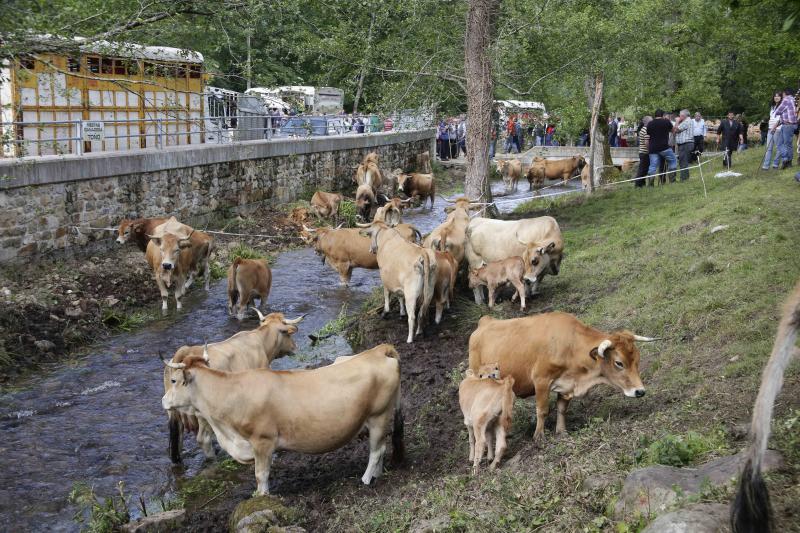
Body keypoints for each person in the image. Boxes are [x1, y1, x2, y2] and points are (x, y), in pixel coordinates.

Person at [647, 109, 678, 184]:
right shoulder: (666, 122)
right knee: (673, 161)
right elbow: (674, 131)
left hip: (653, 148)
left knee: (653, 166)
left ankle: (650, 184)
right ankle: (672, 181)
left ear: (655, 115)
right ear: (663, 115)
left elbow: (648, 136)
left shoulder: (650, 124)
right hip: (664, 147)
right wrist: (677, 122)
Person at [774, 87, 798, 169]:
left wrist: (777, 110)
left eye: (782, 93)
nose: (782, 95)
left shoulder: (786, 99)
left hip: (787, 125)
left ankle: (788, 161)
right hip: (789, 124)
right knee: (782, 144)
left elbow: (778, 111)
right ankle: (787, 160)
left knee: (785, 144)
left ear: (785, 93)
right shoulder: (792, 99)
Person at [762, 92, 783, 170]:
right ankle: (766, 165)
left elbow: (780, 119)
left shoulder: (782, 106)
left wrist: (775, 127)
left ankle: (775, 164)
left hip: (778, 129)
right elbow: (772, 118)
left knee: (778, 147)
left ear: (781, 98)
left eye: (778, 96)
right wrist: (770, 127)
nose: (776, 97)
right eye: (775, 96)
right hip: (770, 129)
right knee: (768, 148)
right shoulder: (772, 106)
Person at [673, 110, 694, 181]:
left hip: (685, 144)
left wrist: (677, 121)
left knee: (683, 162)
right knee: (683, 161)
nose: (679, 117)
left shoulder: (687, 121)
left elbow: (676, 130)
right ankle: (685, 178)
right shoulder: (687, 121)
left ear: (683, 116)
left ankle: (683, 179)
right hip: (685, 144)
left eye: (680, 115)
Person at [635, 116, 652, 187]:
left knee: (644, 169)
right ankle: (638, 184)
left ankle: (642, 183)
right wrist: (649, 150)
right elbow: (646, 142)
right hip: (645, 152)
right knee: (642, 169)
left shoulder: (644, 129)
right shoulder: (645, 130)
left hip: (643, 152)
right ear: (648, 122)